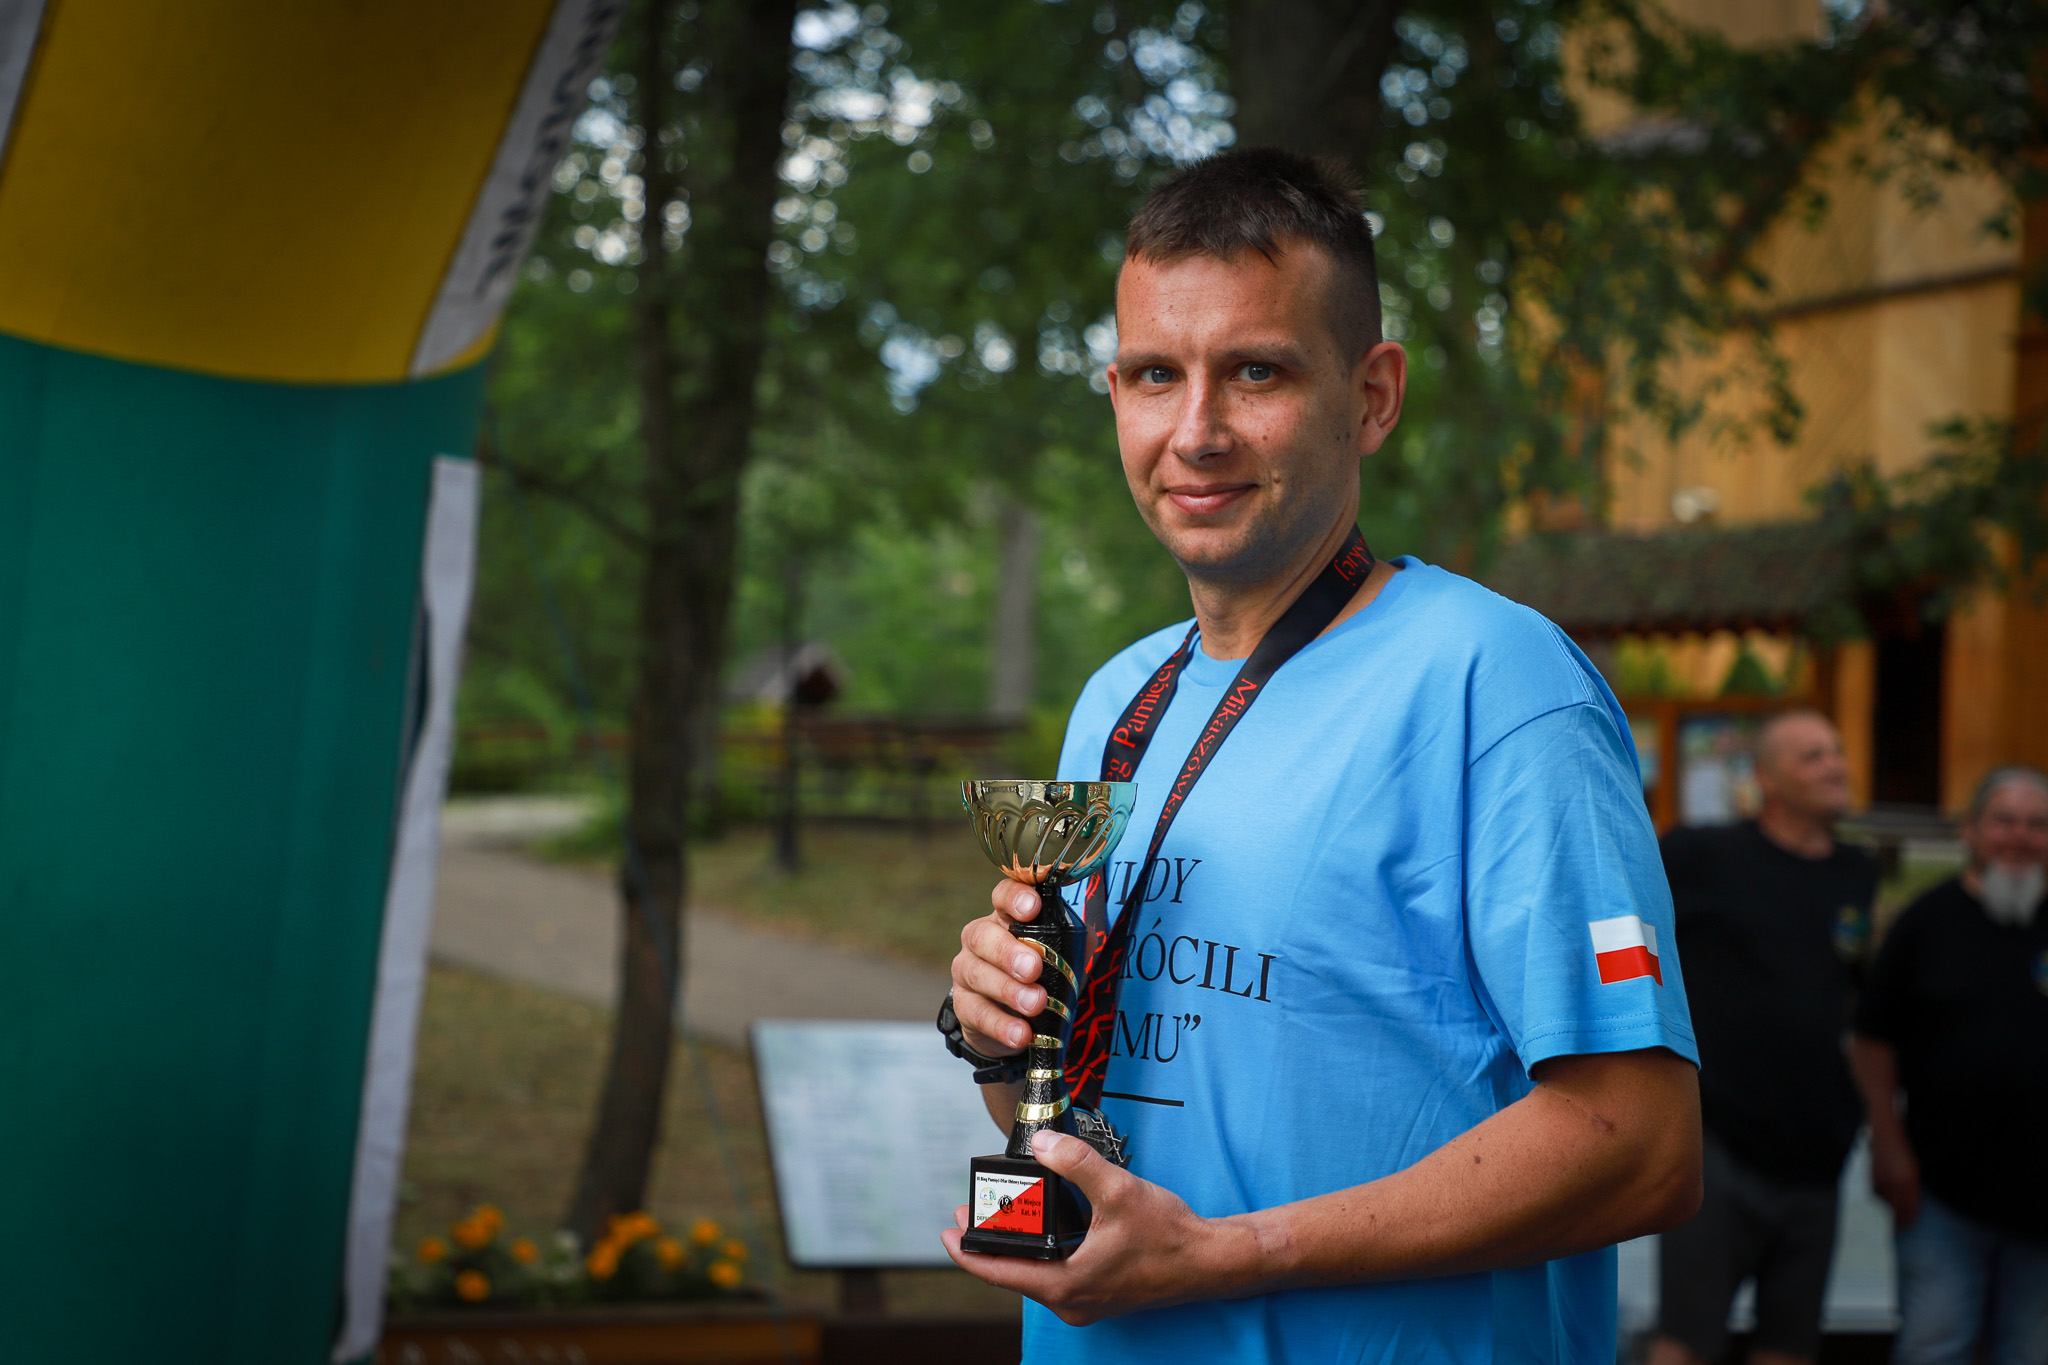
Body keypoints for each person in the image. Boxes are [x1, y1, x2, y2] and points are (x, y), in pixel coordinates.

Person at [936, 147, 1702, 1363]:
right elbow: (1086, 1114)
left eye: (1255, 371)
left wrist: (1224, 1255)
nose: (1195, 432)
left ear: (1372, 395)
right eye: (1154, 374)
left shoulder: (1496, 684)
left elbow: (1643, 1148)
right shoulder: (1116, 700)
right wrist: (1000, 1033)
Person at [1647, 711, 1879, 1365]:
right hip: (1716, 1143)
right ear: (1767, 779)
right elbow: (1628, 931)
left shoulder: (1856, 873)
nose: (1835, 766)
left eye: (1836, 751)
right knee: (1685, 1341)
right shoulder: (1704, 854)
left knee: (1789, 1344)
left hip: (1814, 1155)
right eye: (1813, 756)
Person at [1851, 765, 2048, 1365]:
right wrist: (1887, 1145)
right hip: (1939, 1192)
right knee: (1934, 1348)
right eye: (2004, 821)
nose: (2020, 836)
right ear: (1971, 830)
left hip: (2042, 1203)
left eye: (2037, 824)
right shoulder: (1925, 922)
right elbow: (1871, 1041)